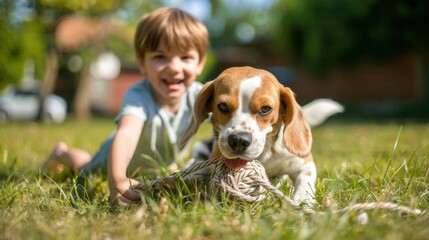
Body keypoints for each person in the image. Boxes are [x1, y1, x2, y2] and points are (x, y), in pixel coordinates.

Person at [43, 7, 209, 204]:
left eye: (185, 58)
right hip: (114, 160)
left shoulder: (202, 95)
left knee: (173, 175)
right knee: (84, 167)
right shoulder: (139, 95)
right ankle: (61, 154)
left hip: (159, 164)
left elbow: (228, 120)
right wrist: (118, 180)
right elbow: (126, 134)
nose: (173, 67)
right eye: (159, 57)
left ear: (200, 63)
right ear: (141, 62)